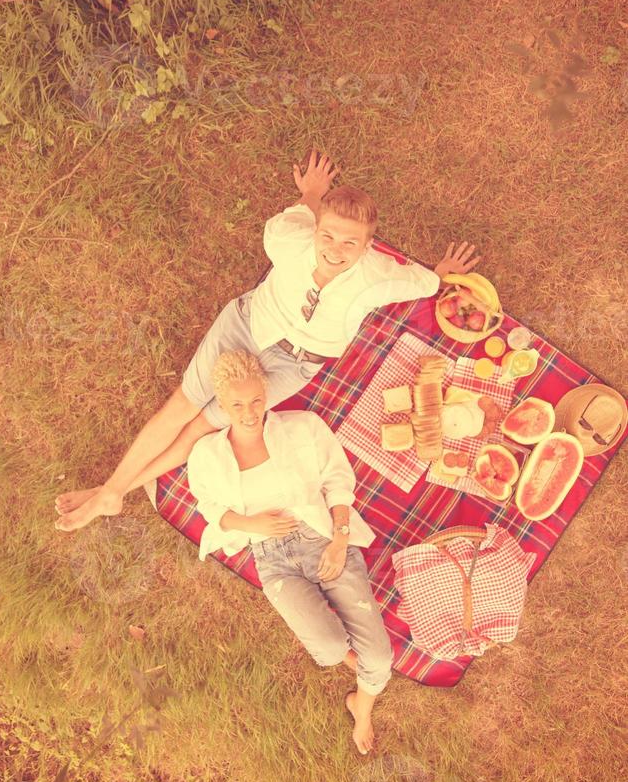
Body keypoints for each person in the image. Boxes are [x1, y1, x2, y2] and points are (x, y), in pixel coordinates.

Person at [55, 150, 480, 530]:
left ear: (369, 247)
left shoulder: (378, 275)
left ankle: (111, 494)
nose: (335, 249)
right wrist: (313, 192)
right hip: (245, 326)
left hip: (293, 365)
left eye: (351, 243)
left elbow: (422, 283)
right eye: (327, 236)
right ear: (315, 230)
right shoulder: (287, 239)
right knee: (180, 406)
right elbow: (298, 213)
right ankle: (111, 490)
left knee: (203, 427)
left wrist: (440, 272)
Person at [189, 349, 393, 755]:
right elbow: (211, 509)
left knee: (382, 658)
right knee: (331, 650)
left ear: (266, 395)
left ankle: (362, 707)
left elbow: (338, 481)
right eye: (236, 405)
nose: (249, 413)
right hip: (274, 560)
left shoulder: (303, 427)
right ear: (221, 404)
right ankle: (357, 666)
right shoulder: (206, 455)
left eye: (256, 401)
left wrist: (339, 539)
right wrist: (252, 525)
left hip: (321, 537)